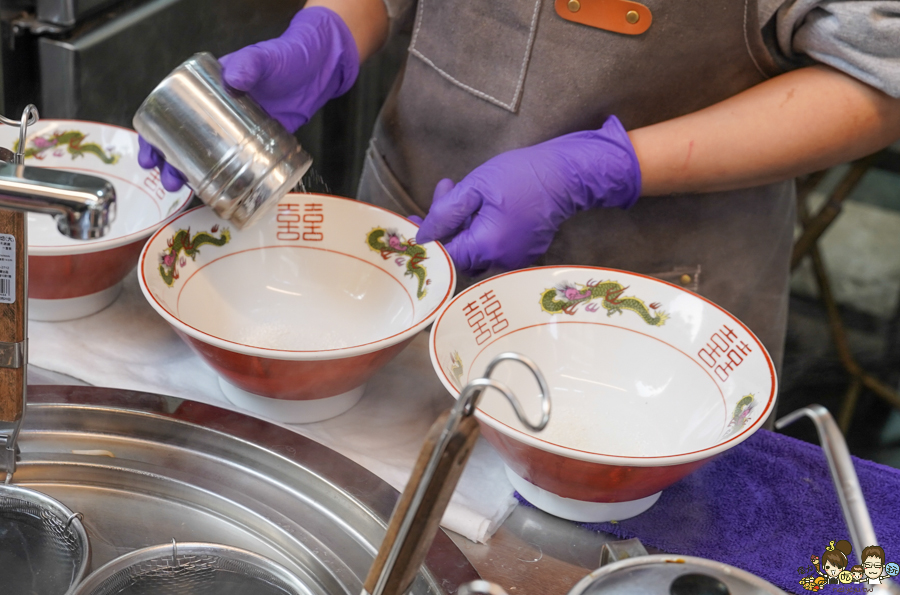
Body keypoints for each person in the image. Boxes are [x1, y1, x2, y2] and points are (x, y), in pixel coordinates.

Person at [140, 0, 900, 377]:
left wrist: (606, 165)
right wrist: (332, 30)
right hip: (407, 239)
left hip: (644, 303)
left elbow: (880, 76)